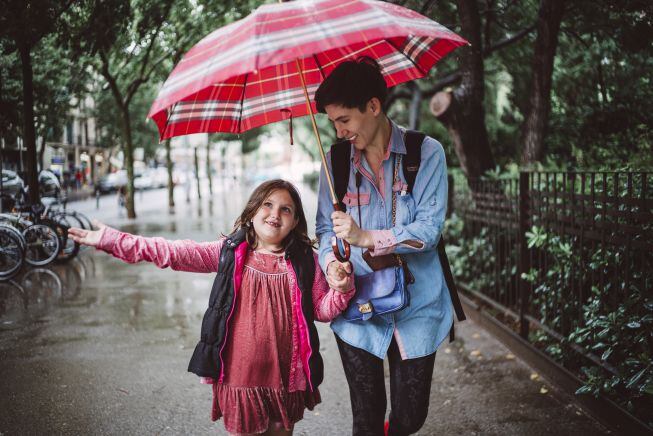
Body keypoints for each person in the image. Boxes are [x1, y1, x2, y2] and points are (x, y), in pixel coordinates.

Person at [69, 179, 355, 436]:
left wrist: (342, 288)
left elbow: (322, 309)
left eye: (286, 209)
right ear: (252, 211)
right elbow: (171, 252)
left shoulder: (306, 260)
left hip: (285, 379)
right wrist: (111, 240)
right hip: (241, 379)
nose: (275, 214)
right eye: (267, 204)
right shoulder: (229, 253)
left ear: (295, 222)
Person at [315, 58, 454, 436]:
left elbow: (428, 231)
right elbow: (325, 229)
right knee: (366, 419)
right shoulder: (336, 163)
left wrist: (367, 238)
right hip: (357, 307)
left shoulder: (425, 154)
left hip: (417, 306)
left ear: (373, 106)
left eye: (344, 119)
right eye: (332, 123)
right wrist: (331, 266)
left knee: (410, 418)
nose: (339, 130)